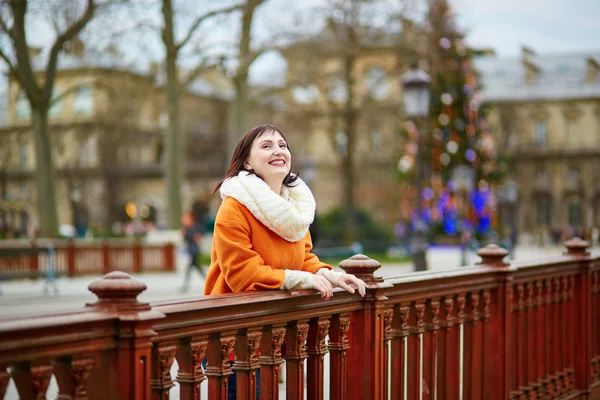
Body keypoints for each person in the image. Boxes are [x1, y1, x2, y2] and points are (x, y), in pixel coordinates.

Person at [204, 124, 367, 399]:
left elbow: (303, 259)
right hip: (232, 348)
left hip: (268, 344)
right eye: (266, 146)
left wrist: (333, 276)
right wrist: (300, 279)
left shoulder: (292, 210)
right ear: (247, 161)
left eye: (282, 145)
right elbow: (242, 274)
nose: (278, 150)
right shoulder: (234, 207)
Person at [180, 212, 205, 293]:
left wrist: (198, 236)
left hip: (194, 250)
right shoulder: (186, 228)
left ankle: (185, 286)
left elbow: (199, 234)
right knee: (196, 268)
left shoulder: (194, 227)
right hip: (191, 250)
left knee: (192, 268)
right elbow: (186, 239)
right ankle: (185, 285)